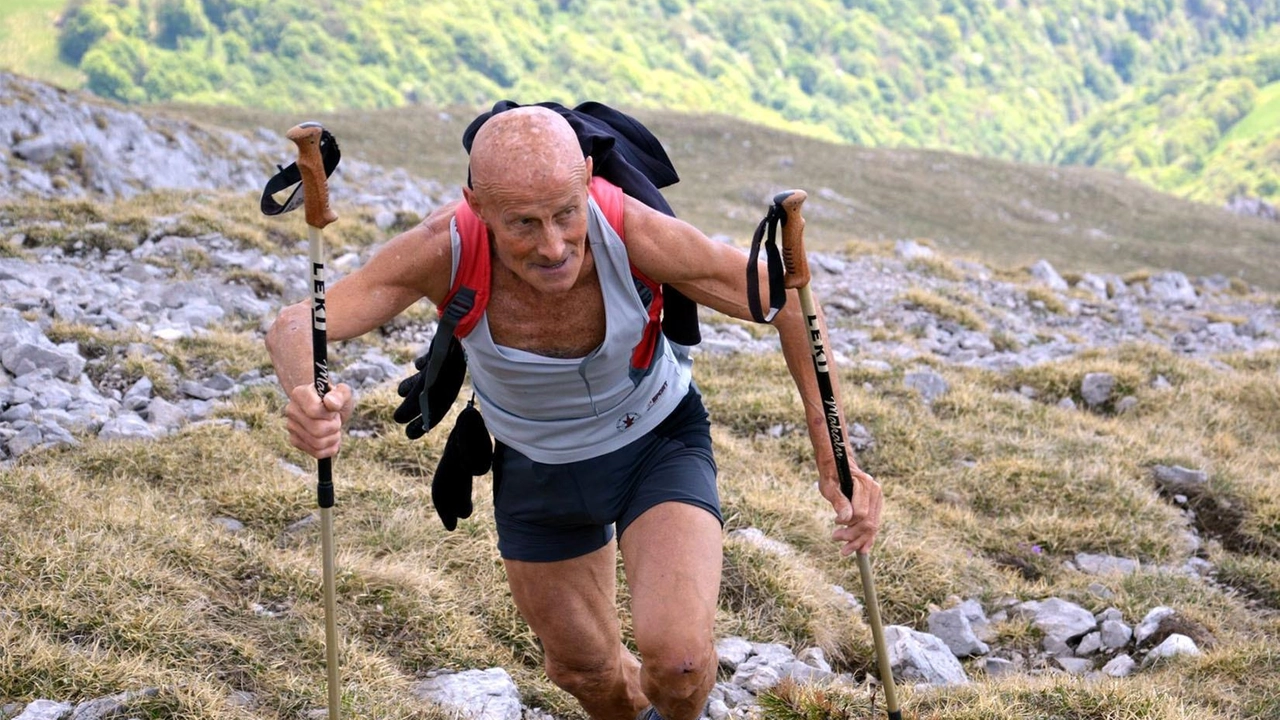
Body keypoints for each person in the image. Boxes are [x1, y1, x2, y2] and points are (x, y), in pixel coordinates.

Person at [265, 106, 883, 720]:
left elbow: (787, 302)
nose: (554, 246)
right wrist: (307, 393)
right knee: (583, 671)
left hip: (655, 443)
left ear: (588, 179)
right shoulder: (442, 250)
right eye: (524, 224)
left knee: (681, 665)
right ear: (475, 204)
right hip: (537, 468)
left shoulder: (631, 231)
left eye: (566, 213)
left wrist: (834, 455)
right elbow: (299, 326)